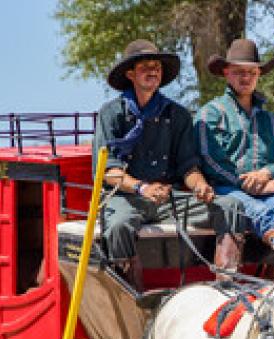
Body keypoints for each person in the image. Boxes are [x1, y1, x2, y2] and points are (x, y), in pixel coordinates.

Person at [92, 39, 228, 289]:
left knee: (229, 207)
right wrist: (143, 188)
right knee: (119, 225)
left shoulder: (178, 115)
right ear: (130, 74)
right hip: (124, 197)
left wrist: (200, 186)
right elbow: (108, 172)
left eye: (156, 66)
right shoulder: (111, 113)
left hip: (168, 198)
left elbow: (188, 166)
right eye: (145, 66)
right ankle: (130, 295)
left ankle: (227, 286)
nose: (153, 71)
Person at [196, 38, 274, 256]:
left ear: (259, 75)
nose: (246, 77)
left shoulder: (273, 121)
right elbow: (208, 159)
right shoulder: (211, 114)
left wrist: (266, 173)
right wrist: (247, 184)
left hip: (266, 191)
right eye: (239, 71)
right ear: (226, 73)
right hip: (225, 192)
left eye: (252, 72)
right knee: (259, 210)